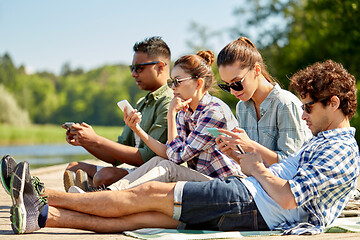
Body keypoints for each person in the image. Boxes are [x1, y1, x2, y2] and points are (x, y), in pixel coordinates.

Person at [7, 60, 359, 235]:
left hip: (250, 200)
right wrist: (249, 158)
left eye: (309, 106)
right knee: (143, 216)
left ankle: (40, 193)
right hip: (248, 199)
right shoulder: (327, 141)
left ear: (333, 103)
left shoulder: (340, 149)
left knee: (145, 194)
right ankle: (42, 217)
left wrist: (255, 168)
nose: (303, 112)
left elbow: (287, 197)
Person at [87, 50, 242, 191]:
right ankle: (108, 193)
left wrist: (170, 115)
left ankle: (109, 196)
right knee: (157, 161)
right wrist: (137, 129)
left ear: (199, 83)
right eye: (170, 82)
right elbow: (168, 153)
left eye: (177, 81)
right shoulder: (185, 112)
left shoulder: (213, 112)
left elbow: (176, 158)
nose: (172, 87)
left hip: (228, 185)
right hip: (206, 182)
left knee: (168, 168)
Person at [62, 36, 173, 191]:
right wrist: (86, 141)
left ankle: (88, 197)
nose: (133, 74)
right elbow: (116, 156)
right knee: (73, 167)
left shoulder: (169, 102)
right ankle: (89, 195)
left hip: (158, 175)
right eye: (131, 68)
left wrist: (97, 140)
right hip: (138, 171)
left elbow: (148, 157)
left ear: (160, 67)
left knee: (103, 176)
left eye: (139, 68)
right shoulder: (142, 103)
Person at [216, 37, 311, 166]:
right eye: (227, 86)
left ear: (256, 70)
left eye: (236, 83)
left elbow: (293, 163)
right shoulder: (242, 107)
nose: (233, 91)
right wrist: (232, 154)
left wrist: (250, 145)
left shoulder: (285, 103)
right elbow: (254, 164)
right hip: (257, 182)